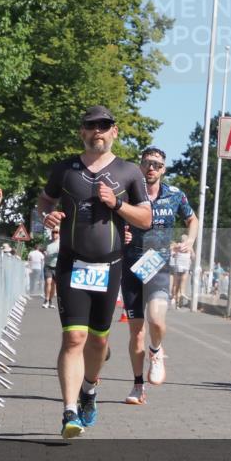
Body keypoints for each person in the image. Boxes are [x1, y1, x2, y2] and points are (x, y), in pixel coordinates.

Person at [37, 105, 151, 438]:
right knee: (74, 337)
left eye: (104, 125)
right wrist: (48, 215)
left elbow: (144, 218)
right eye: (91, 125)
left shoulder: (130, 172)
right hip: (72, 263)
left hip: (110, 266)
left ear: (114, 131)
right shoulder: (65, 169)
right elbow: (45, 201)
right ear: (82, 132)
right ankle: (69, 412)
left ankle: (89, 389)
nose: (97, 131)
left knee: (98, 342)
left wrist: (117, 204)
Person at [120, 146, 197, 405]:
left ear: (163, 169)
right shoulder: (128, 193)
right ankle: (137, 386)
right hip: (130, 265)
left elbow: (192, 220)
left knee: (156, 320)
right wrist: (122, 233)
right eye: (147, 163)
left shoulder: (175, 195)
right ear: (140, 166)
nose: (151, 168)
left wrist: (191, 241)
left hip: (158, 264)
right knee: (136, 332)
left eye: (157, 164)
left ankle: (156, 350)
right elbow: (113, 218)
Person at [43, 228, 60, 308]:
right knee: (48, 282)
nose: (54, 234)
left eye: (56, 232)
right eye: (53, 232)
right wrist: (44, 252)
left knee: (54, 285)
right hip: (48, 266)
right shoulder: (47, 242)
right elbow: (42, 249)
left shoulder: (61, 243)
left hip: (57, 266)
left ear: (59, 234)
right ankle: (46, 300)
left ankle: (50, 300)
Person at [172, 243, 192, 308]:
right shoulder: (189, 247)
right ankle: (182, 293)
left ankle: (175, 300)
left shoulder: (178, 246)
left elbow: (173, 254)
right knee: (182, 284)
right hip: (185, 267)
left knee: (176, 285)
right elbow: (193, 256)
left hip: (178, 266)